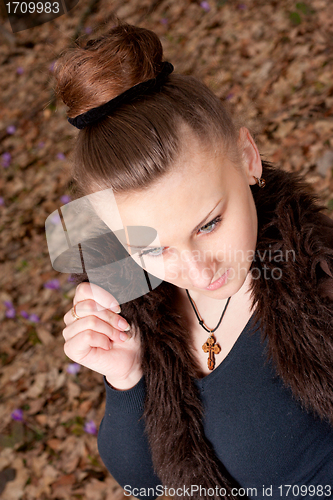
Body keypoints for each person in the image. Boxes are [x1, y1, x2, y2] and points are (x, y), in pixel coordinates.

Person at [54, 18, 333, 500]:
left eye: (209, 225)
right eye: (152, 249)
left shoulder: (318, 286)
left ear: (248, 157)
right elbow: (142, 483)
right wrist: (126, 377)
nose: (200, 271)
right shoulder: (125, 287)